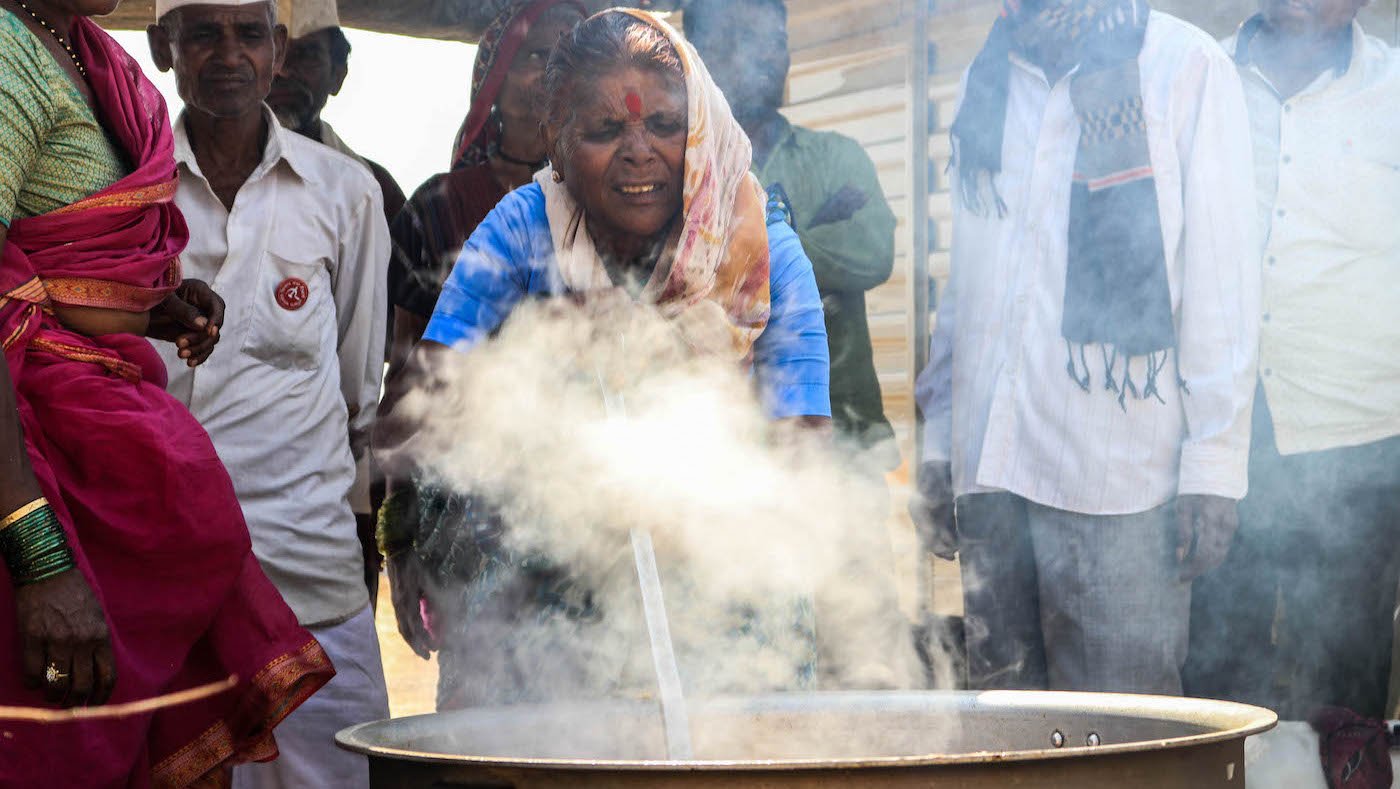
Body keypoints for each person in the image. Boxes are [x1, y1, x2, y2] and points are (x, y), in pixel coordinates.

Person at [378, 8, 833, 709]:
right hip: (539, 573)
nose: (638, 151)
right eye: (604, 130)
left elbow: (799, 449)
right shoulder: (527, 227)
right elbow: (430, 394)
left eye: (662, 124)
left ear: (702, 126)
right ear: (557, 147)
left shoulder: (761, 256)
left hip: (721, 573)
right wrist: (406, 541)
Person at [0, 0, 332, 784]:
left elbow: (47, 261)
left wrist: (148, 304)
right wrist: (39, 555)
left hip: (107, 474)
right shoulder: (7, 52)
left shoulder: (78, 47)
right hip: (43, 480)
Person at [909, 0, 1259, 696]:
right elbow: (969, 283)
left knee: (1123, 736)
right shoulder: (989, 73)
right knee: (1005, 728)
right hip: (991, 467)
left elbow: (1223, 283)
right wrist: (941, 446)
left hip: (1118, 480)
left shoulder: (1185, 66)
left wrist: (1214, 468)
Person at [147, 0, 389, 786]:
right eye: (202, 34)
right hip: (163, 592)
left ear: (278, 50)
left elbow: (358, 390)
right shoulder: (129, 194)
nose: (227, 54)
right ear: (162, 47)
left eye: (249, 34)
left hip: (307, 582)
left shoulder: (344, 192)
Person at [1184, 0, 1400, 721]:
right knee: (1216, 670)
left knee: (1345, 673)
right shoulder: (1198, 73)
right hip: (1221, 433)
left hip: (1359, 443)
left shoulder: (1394, 91)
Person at [682, 0, 898, 467]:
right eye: (741, 38)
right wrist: (793, 235)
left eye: (776, 41)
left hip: (849, 439)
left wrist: (754, 250)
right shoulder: (680, 173)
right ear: (696, 54)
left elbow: (874, 252)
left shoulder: (838, 156)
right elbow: (690, 281)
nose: (767, 56)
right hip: (730, 458)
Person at [267, 0, 405, 604]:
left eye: (309, 56)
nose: (287, 72)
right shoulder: (159, 173)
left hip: (329, 499)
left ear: (338, 74)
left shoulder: (369, 189)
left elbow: (374, 364)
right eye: (280, 53)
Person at [386, 0, 586, 375]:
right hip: (459, 420)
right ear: (496, 77)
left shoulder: (613, 201)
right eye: (538, 54)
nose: (556, 71)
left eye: (573, 57)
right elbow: (406, 354)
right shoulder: (437, 206)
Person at [268, 0, 405, 222]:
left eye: (306, 54)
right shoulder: (200, 168)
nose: (283, 70)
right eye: (273, 54)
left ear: (337, 76)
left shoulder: (375, 191)